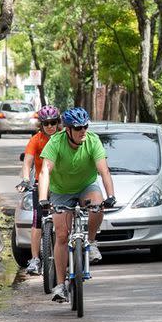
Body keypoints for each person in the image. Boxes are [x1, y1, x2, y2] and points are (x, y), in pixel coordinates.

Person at [38, 107, 116, 303]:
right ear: (67, 129)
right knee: (62, 236)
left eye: (85, 127)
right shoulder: (56, 142)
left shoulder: (92, 140)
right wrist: (43, 199)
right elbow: (45, 171)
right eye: (78, 128)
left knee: (98, 205)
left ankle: (90, 241)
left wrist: (111, 195)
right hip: (61, 191)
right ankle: (60, 285)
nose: (83, 131)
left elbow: (104, 170)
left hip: (86, 186)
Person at [15, 105, 62, 275]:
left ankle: (72, 251)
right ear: (41, 125)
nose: (50, 126)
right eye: (46, 123)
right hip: (41, 184)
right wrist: (26, 179)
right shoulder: (36, 140)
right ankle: (35, 259)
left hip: (62, 185)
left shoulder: (64, 138)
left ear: (58, 123)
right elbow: (27, 162)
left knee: (66, 217)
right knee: (37, 219)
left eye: (53, 122)